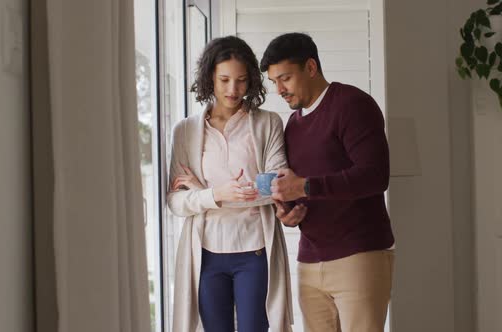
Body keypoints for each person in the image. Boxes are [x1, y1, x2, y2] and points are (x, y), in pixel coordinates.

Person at [260, 32, 395, 332]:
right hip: (309, 262)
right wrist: (288, 213)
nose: (279, 89)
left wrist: (306, 186)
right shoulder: (293, 124)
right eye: (274, 82)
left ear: (310, 67)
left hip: (359, 256)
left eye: (285, 78)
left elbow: (375, 176)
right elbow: (301, 187)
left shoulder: (353, 104)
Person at [167, 35, 296, 332]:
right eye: (224, 79)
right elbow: (175, 201)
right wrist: (215, 194)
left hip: (254, 252)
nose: (233, 89)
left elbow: (276, 186)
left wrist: (203, 192)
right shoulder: (185, 131)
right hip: (207, 255)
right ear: (210, 77)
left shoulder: (268, 123)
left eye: (240, 80)